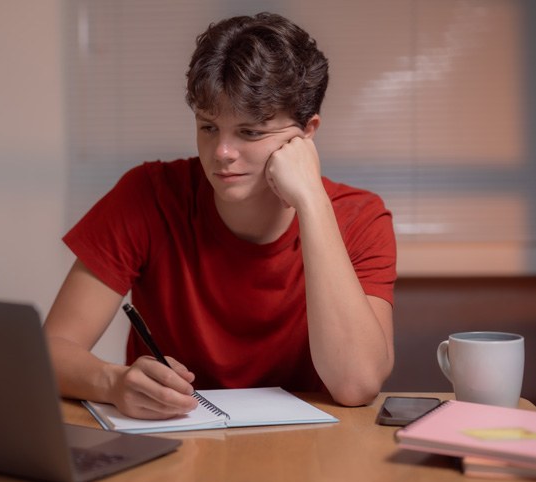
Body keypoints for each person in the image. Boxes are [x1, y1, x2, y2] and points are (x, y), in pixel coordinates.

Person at [43, 12, 396, 420]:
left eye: (250, 132)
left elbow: (356, 385)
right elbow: (51, 349)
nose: (222, 153)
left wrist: (312, 202)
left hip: (312, 448)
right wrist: (112, 382)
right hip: (178, 440)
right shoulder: (147, 195)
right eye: (209, 127)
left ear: (307, 133)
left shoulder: (361, 217)